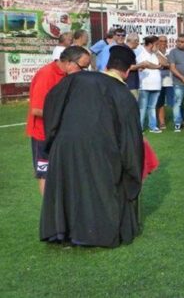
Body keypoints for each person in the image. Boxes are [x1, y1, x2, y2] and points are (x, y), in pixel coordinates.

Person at [40, 45, 145, 248]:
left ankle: (64, 233)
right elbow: (130, 139)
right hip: (100, 148)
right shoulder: (123, 94)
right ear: (127, 70)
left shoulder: (75, 79)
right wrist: (132, 170)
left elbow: (51, 102)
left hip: (65, 144)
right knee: (98, 190)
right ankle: (93, 235)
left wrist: (54, 137)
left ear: (107, 64)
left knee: (70, 187)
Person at [26, 46, 91, 195]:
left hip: (61, 134)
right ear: (69, 63)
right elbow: (36, 109)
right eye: (82, 67)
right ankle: (50, 213)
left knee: (65, 172)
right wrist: (69, 115)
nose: (83, 72)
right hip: (43, 135)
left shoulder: (71, 76)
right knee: (45, 173)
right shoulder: (46, 75)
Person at [137, 36, 163, 133]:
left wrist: (157, 52)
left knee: (152, 107)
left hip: (156, 85)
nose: (158, 46)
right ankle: (140, 128)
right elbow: (145, 64)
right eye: (156, 44)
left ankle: (153, 126)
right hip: (144, 85)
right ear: (150, 44)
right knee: (142, 108)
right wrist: (157, 66)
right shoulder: (141, 52)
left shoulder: (156, 53)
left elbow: (165, 62)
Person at [154, 35, 174, 130]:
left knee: (175, 102)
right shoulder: (154, 53)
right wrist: (167, 64)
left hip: (170, 81)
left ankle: (179, 120)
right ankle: (162, 122)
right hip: (159, 82)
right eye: (161, 41)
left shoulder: (170, 52)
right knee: (160, 103)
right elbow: (162, 64)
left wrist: (165, 64)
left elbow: (171, 64)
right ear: (157, 42)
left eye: (165, 41)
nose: (163, 43)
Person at [125, 33, 143, 98]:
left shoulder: (131, 51)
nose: (138, 43)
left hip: (133, 83)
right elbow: (129, 66)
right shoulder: (127, 51)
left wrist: (138, 67)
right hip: (130, 84)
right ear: (134, 41)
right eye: (137, 41)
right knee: (132, 106)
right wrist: (142, 64)